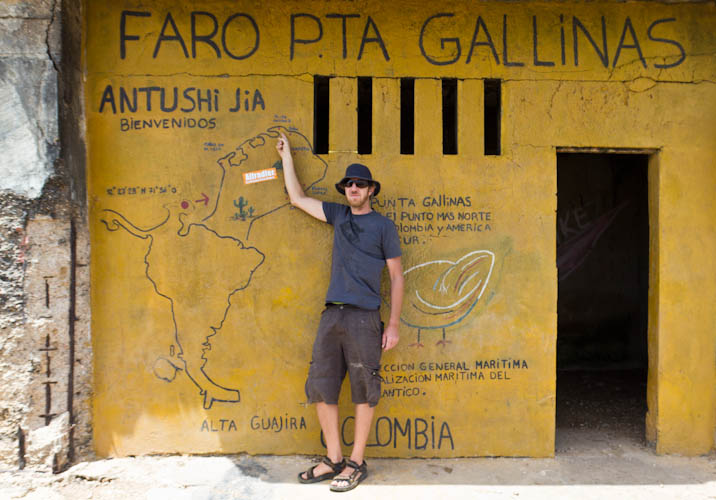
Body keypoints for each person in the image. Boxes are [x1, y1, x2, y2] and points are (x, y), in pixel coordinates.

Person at [275, 131, 404, 492]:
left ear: (371, 190)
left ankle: (356, 462)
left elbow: (396, 277)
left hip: (365, 317)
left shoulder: (383, 226)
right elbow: (298, 198)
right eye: (349, 184)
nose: (354, 188)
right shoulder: (337, 215)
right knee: (322, 385)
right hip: (331, 314)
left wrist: (392, 324)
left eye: (361, 184)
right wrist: (287, 157)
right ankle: (333, 459)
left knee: (365, 389)